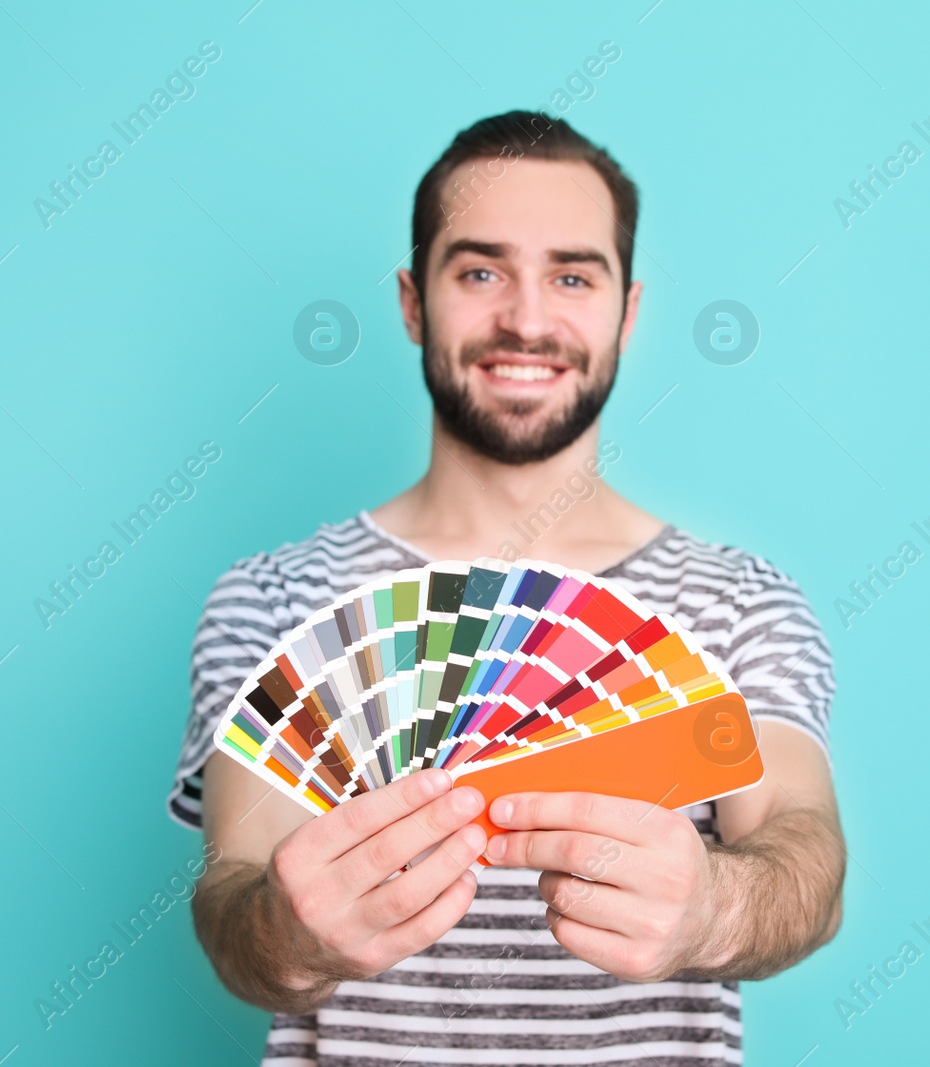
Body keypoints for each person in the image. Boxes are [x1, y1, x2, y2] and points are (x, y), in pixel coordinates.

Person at [169, 110, 844, 1067]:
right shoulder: (277, 598)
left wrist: (714, 908)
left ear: (628, 309)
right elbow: (231, 902)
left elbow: (802, 851)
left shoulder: (739, 602)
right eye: (479, 271)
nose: (527, 319)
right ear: (413, 301)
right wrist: (286, 931)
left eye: (573, 275)